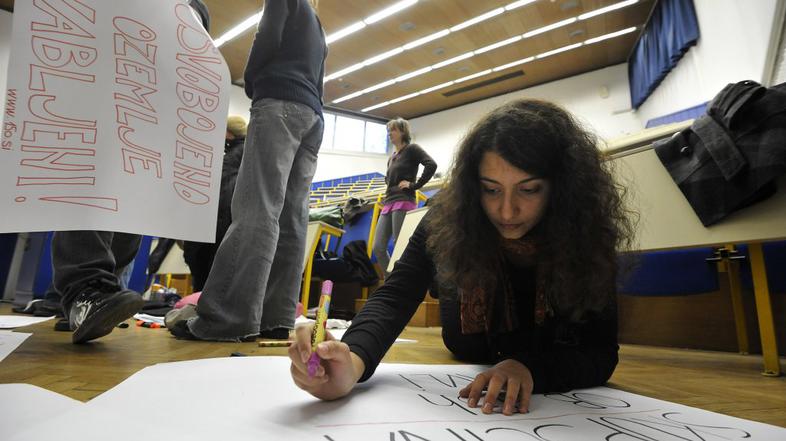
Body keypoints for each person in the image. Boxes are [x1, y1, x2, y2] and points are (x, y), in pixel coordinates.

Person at [288, 99, 636, 414]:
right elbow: (396, 294)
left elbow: (600, 352)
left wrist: (530, 368)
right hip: (470, 347)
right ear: (474, 186)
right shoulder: (449, 217)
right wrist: (352, 362)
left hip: (549, 358)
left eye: (529, 189)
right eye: (491, 189)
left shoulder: (585, 233)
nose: (507, 211)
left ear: (561, 187)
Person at [51, 0, 211, 344]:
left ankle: (99, 295)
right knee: (92, 182)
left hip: (156, 103)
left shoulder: (193, 14)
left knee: (132, 203)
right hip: (117, 76)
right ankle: (84, 292)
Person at [168, 0, 327, 341]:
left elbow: (267, 35)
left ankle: (228, 318)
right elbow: (319, 78)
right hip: (313, 115)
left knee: (257, 208)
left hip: (279, 102)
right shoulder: (315, 22)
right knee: (292, 218)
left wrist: (253, 82)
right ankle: (276, 317)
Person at [182, 115, 247, 292]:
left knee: (205, 281)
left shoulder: (231, 158)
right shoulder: (242, 155)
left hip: (215, 230)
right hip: (224, 230)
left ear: (228, 133)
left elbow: (219, 196)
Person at [372, 118, 436, 276]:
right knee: (378, 247)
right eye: (388, 130)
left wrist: (414, 185)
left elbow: (431, 164)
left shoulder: (412, 149)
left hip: (403, 200)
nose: (389, 133)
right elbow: (389, 179)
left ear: (402, 131)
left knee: (399, 244)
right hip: (389, 202)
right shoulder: (392, 157)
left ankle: (404, 281)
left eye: (393, 130)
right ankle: (391, 280)